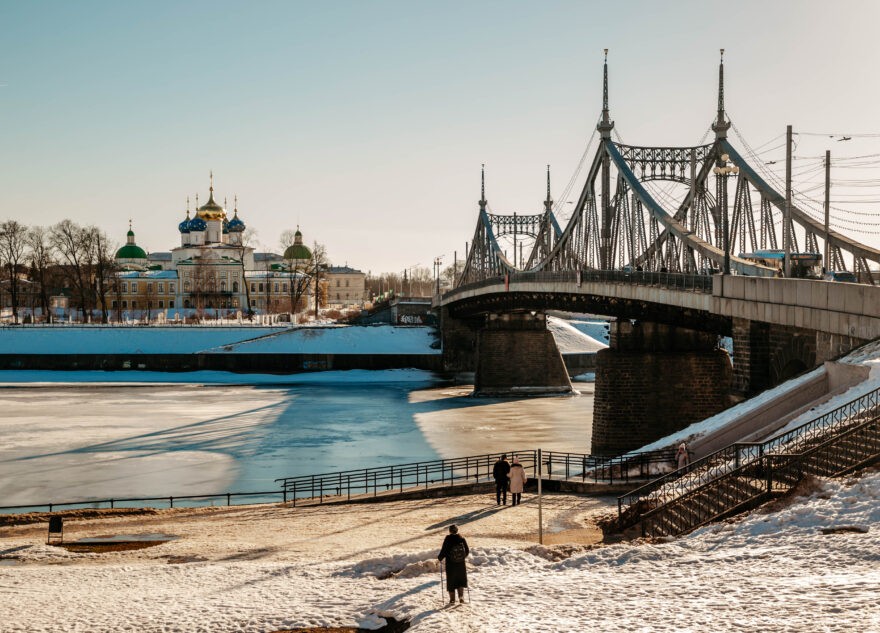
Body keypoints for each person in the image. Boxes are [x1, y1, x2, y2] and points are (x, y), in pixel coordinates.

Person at [438, 524, 469, 604]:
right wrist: (462, 558)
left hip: (451, 564)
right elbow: (467, 550)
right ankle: (461, 597)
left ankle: (452, 600)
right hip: (461, 564)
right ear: (457, 530)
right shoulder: (462, 538)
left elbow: (444, 550)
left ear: (450, 531)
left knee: (451, 581)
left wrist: (440, 558)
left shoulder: (448, 539)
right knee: (460, 580)